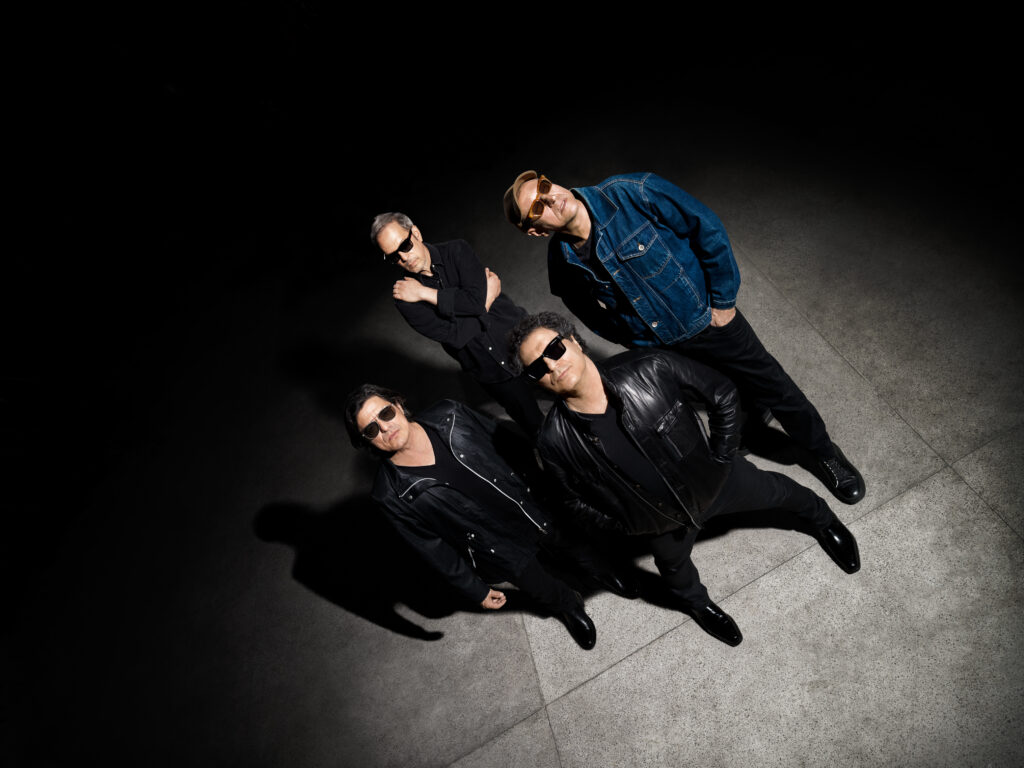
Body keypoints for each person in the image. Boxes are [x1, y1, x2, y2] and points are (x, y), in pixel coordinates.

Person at [502, 171, 865, 504]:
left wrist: (723, 301)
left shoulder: (632, 192)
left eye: (545, 187)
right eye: (537, 207)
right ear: (536, 230)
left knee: (774, 386)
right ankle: (754, 412)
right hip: (662, 343)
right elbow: (587, 312)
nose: (551, 198)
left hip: (708, 321)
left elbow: (706, 228)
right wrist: (636, 339)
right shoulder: (562, 262)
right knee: (714, 389)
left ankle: (824, 453)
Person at [509, 311, 860, 647]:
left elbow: (722, 394)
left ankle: (823, 519)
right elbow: (573, 502)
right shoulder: (552, 441)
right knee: (675, 573)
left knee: (779, 492)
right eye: (537, 367)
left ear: (573, 340)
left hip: (714, 479)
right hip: (660, 522)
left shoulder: (647, 366)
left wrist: (721, 459)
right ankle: (698, 605)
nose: (551, 365)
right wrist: (629, 525)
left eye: (554, 348)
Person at [344, 382, 639, 650]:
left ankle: (600, 569)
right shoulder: (389, 494)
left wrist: (542, 479)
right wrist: (475, 589)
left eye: (385, 413)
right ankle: (568, 605)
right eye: (371, 430)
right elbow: (430, 547)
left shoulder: (449, 414)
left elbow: (503, 439)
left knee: (571, 541)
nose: (385, 428)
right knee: (538, 585)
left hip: (525, 500)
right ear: (366, 442)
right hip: (491, 542)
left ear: (397, 404)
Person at [371, 212, 543, 437]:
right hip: (490, 369)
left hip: (523, 338)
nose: (404, 257)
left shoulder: (457, 250)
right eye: (394, 256)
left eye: (405, 245)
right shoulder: (404, 298)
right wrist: (486, 301)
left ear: (416, 233)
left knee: (573, 390)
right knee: (538, 429)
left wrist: (425, 293)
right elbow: (455, 337)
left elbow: (474, 302)